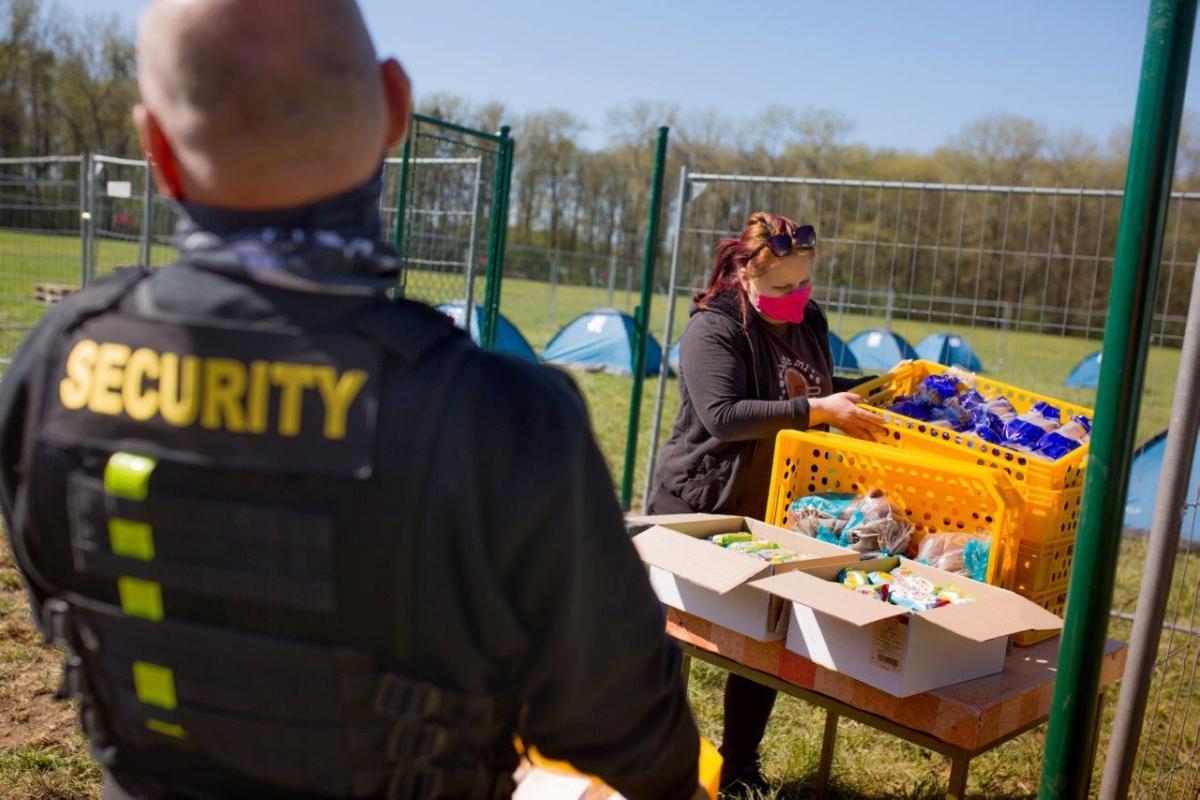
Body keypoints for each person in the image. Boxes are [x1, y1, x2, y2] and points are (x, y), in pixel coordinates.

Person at [0, 1, 701, 797]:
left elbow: (67, 613)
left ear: (157, 146)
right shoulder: (503, 419)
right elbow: (625, 729)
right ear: (394, 105)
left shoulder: (53, 364)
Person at [648, 211, 883, 794]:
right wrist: (818, 412)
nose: (796, 298)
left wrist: (870, 395)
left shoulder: (810, 320)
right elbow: (723, 418)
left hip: (776, 508)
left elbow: (819, 390)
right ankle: (650, 752)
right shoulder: (714, 329)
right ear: (745, 276)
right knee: (671, 638)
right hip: (698, 503)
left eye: (805, 284)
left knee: (762, 642)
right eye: (782, 288)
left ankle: (737, 766)